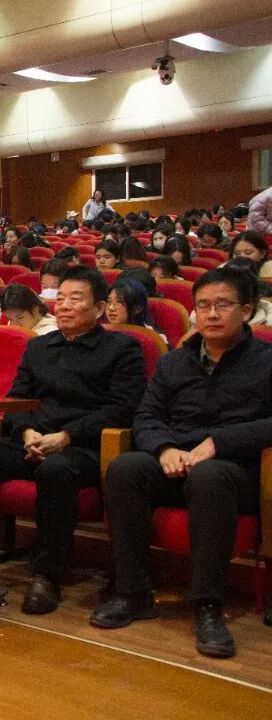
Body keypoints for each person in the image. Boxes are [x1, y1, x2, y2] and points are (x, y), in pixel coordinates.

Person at [0, 266, 146, 614]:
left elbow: (122, 409)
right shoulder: (39, 347)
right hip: (32, 439)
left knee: (55, 470)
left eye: (76, 299)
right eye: (61, 298)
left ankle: (48, 575)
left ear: (100, 308)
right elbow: (17, 399)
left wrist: (66, 436)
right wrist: (26, 431)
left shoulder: (122, 348)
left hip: (83, 446)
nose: (65, 306)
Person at [91, 267, 271, 659]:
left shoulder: (266, 360)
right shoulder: (175, 362)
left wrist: (219, 442)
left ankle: (208, 605)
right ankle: (133, 592)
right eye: (203, 306)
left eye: (223, 305)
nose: (212, 314)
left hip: (235, 470)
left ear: (247, 310)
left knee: (210, 477)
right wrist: (164, 449)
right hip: (176, 459)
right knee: (126, 468)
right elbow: (147, 416)